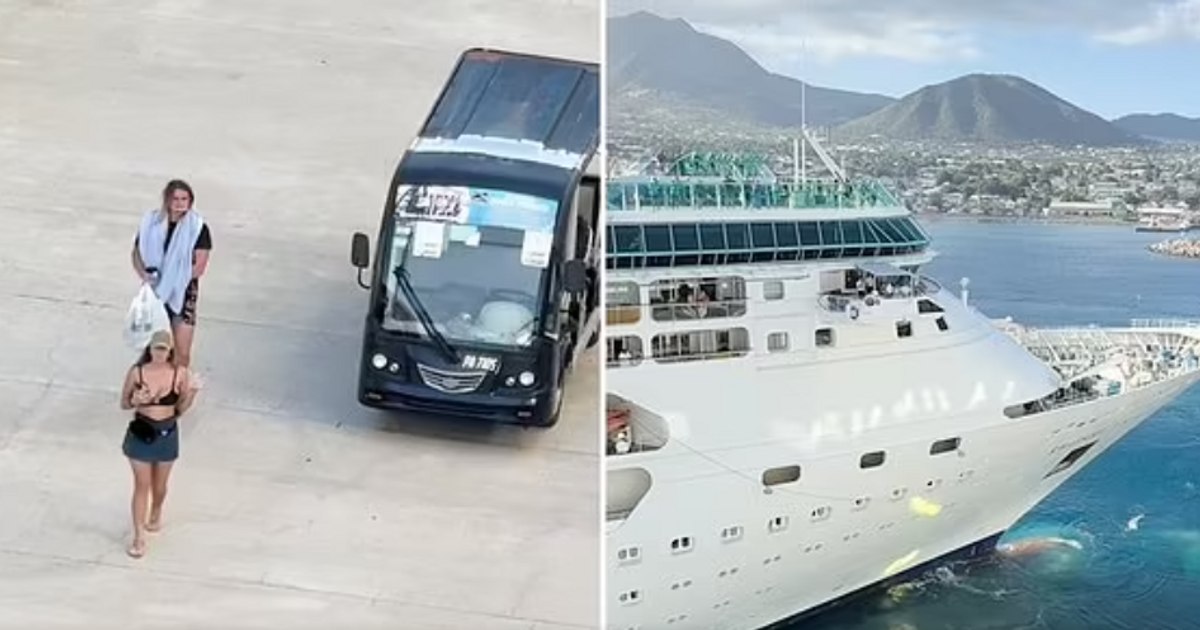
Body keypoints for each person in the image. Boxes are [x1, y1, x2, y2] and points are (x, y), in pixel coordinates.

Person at [120, 329, 196, 558]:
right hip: (142, 432)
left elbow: (180, 409)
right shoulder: (137, 373)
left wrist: (192, 394)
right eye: (156, 348)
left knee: (159, 486)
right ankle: (139, 536)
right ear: (149, 349)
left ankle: (156, 510)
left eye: (164, 349)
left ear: (170, 350)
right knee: (141, 485)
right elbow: (124, 403)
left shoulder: (179, 374)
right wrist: (136, 399)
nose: (160, 353)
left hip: (166, 432)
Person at [131, 179, 212, 374]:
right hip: (154, 289)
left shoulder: (198, 227)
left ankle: (177, 390)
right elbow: (136, 252)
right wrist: (144, 273)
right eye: (175, 198)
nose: (179, 203)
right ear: (167, 199)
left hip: (183, 291)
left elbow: (199, 266)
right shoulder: (151, 223)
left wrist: (172, 281)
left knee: (181, 350)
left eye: (184, 198)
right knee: (153, 348)